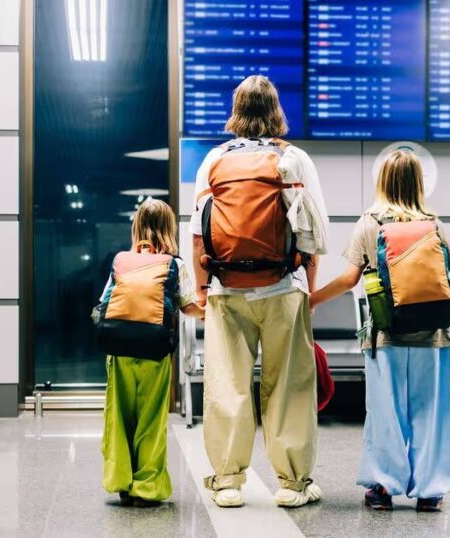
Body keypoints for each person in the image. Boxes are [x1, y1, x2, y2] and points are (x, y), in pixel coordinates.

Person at [191, 75, 329, 508]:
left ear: (236, 110)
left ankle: (228, 481)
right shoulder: (294, 159)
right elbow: (312, 233)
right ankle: (292, 484)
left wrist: (201, 292)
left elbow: (198, 233)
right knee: (289, 386)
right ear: (276, 110)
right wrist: (306, 290)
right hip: (283, 287)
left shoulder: (214, 159)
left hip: (225, 290)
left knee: (226, 385)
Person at [309, 150, 450, 512]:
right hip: (433, 337)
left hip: (386, 336)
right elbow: (447, 272)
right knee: (431, 413)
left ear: (382, 181)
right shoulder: (433, 223)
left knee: (385, 412)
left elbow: (348, 280)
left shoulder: (370, 221)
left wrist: (311, 300)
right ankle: (429, 490)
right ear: (418, 183)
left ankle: (383, 487)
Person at [99, 199, 204, 507]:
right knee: (151, 418)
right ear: (168, 228)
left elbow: (103, 302)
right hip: (154, 351)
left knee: (119, 416)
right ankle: (147, 487)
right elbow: (188, 306)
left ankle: (122, 482)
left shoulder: (122, 261)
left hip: (119, 350)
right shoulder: (174, 264)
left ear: (137, 226)